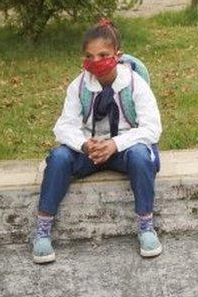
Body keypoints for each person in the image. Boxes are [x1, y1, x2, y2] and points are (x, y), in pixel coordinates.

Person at [32, 19, 163, 263]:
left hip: (124, 149)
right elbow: (64, 126)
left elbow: (152, 128)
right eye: (90, 56)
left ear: (118, 55)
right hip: (90, 150)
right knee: (59, 158)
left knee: (140, 157)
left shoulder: (135, 83)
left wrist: (115, 144)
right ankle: (42, 230)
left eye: (103, 55)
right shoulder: (79, 85)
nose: (96, 62)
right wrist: (84, 144)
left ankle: (146, 226)